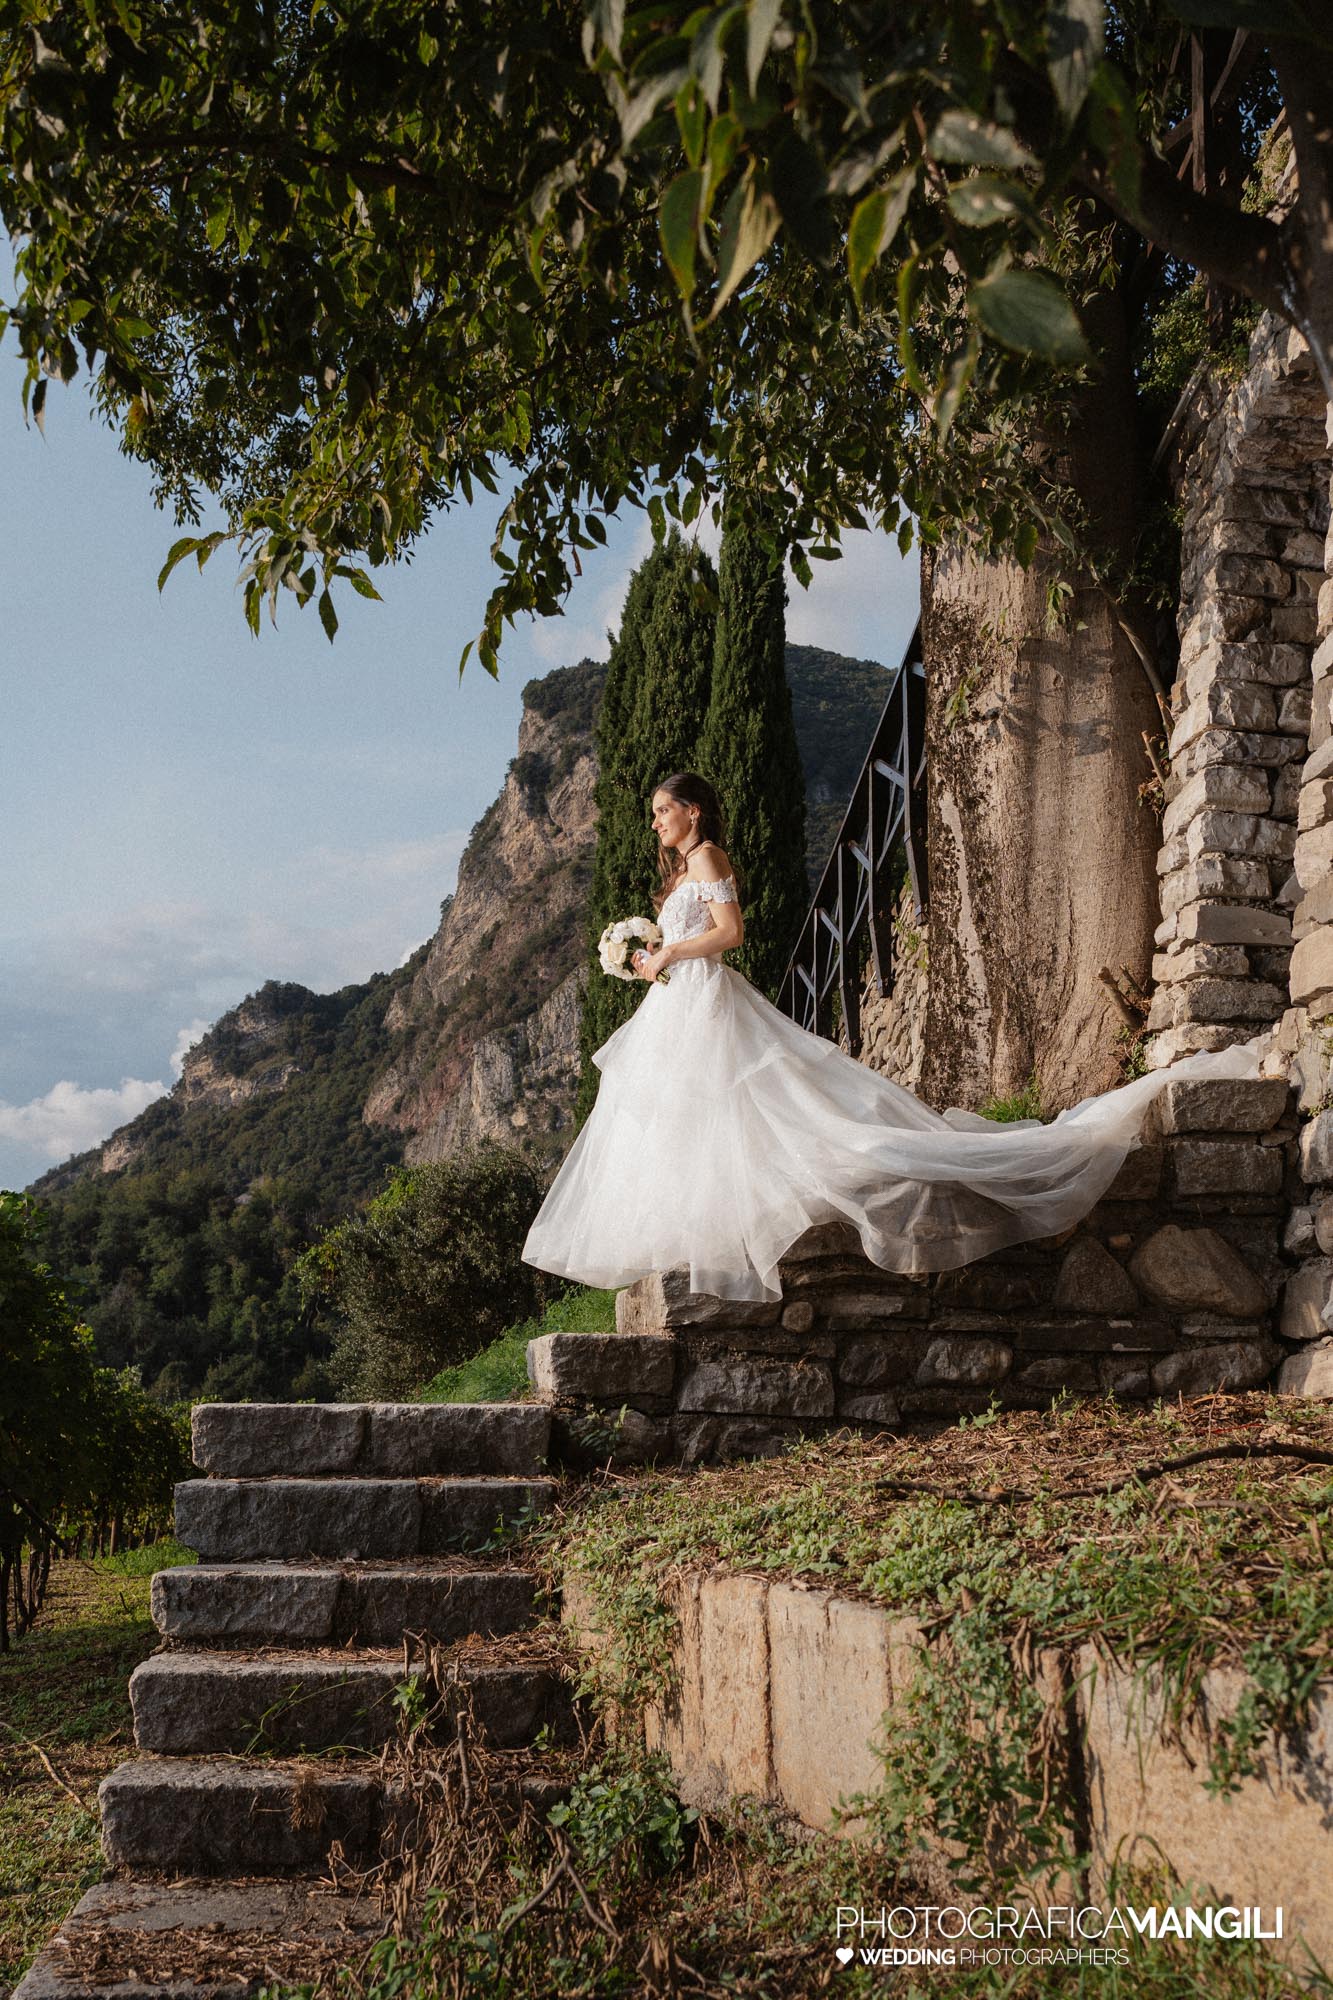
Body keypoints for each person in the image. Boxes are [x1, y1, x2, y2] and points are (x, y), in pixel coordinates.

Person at [521, 771, 1265, 1303]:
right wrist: (650, 963)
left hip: (708, 996)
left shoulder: (708, 859)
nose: (655, 822)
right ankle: (692, 1228)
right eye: (655, 814)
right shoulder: (681, 869)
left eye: (662, 811)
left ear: (690, 812)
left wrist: (669, 953)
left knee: (748, 1101)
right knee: (681, 1113)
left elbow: (730, 933)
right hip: (678, 1000)